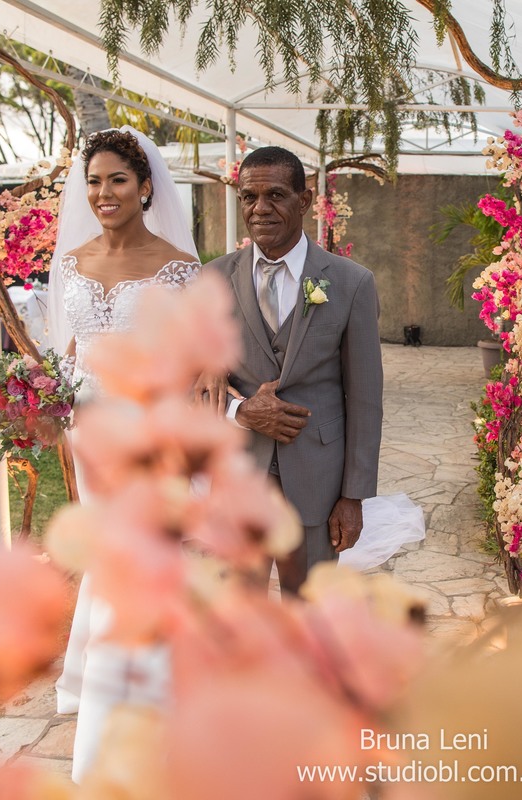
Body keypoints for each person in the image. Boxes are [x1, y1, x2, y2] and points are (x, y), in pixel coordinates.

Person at [47, 126, 200, 782]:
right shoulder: (70, 262)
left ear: (144, 187)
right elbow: (65, 356)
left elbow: (192, 365)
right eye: (94, 181)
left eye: (116, 180)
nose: (103, 192)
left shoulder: (178, 267)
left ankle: (134, 706)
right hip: (88, 428)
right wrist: (44, 410)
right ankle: (114, 693)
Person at [204, 146, 384, 596]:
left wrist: (353, 495)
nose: (260, 209)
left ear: (304, 201)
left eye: (275, 195)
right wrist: (241, 411)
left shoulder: (350, 282)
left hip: (319, 483)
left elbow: (364, 398)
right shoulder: (211, 281)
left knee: (308, 613)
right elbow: (191, 381)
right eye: (248, 197)